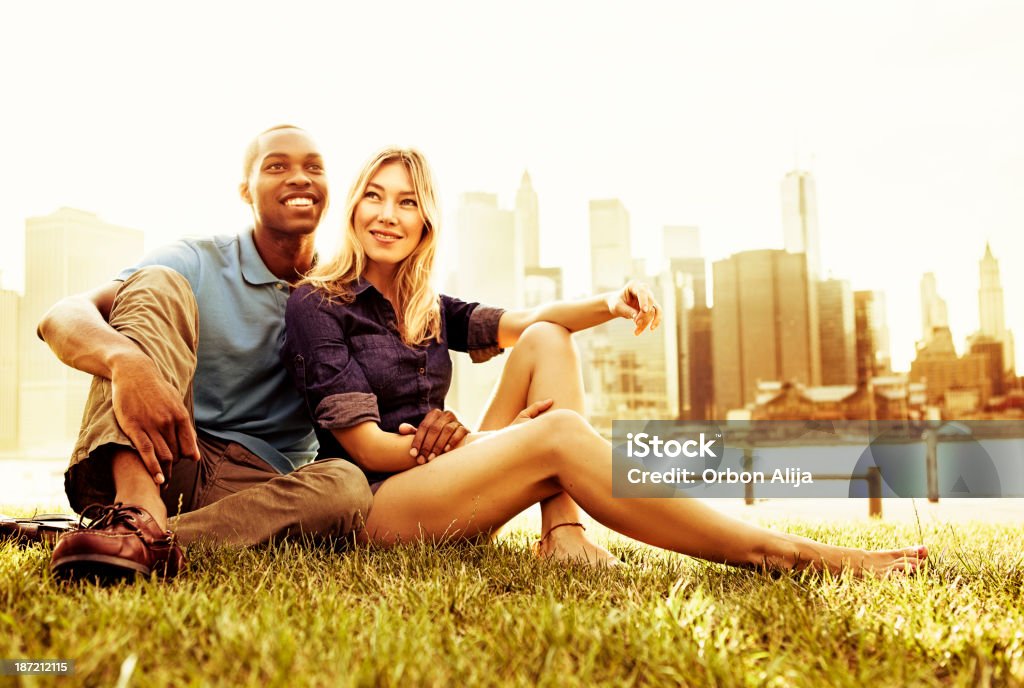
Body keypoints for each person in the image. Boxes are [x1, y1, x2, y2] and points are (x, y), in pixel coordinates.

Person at [283, 147, 928, 577]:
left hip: (449, 480)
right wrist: (489, 443)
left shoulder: (428, 307)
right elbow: (366, 449)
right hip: (380, 507)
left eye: (407, 202)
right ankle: (786, 554)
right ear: (354, 207)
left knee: (547, 340)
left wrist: (611, 304)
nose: (388, 215)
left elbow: (524, 324)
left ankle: (562, 532)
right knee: (558, 431)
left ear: (427, 222)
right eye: (375, 196)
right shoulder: (319, 301)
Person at [37, 125, 374, 582]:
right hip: (161, 457)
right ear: (245, 190)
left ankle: (140, 538)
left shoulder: (343, 291)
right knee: (156, 282)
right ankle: (136, 508)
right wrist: (126, 362)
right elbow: (60, 316)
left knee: (347, 486)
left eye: (314, 167)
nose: (300, 178)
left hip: (259, 489)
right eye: (277, 166)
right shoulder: (197, 259)